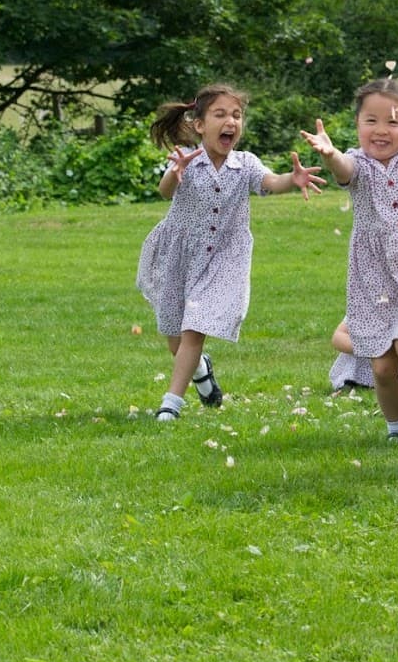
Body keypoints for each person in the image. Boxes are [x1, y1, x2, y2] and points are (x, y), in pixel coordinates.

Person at [137, 83, 325, 421]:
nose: (231, 122)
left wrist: (291, 179)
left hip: (223, 258)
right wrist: (175, 173)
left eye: (237, 115)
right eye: (220, 114)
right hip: (180, 255)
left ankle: (171, 404)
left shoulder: (246, 164)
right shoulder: (188, 159)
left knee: (195, 327)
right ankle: (201, 372)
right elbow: (165, 191)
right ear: (199, 125)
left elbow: (270, 182)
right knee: (175, 338)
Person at [302, 77, 398, 441]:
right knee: (382, 367)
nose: (381, 130)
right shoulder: (359, 163)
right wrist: (330, 155)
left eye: (393, 121)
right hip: (373, 278)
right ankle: (397, 430)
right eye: (371, 121)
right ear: (357, 125)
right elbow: (343, 169)